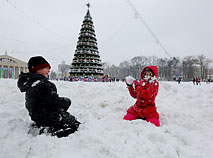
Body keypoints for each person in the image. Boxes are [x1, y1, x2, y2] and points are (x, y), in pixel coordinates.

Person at [17, 56, 80, 138]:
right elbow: (53, 100)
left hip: (38, 116)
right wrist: (66, 101)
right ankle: (54, 132)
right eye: (46, 68)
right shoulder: (42, 84)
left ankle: (44, 126)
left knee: (66, 116)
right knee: (74, 124)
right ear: (38, 69)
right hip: (49, 117)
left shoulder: (31, 84)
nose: (49, 70)